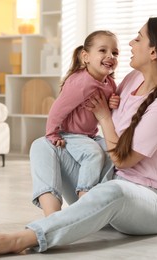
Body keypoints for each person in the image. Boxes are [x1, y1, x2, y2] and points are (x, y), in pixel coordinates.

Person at [0, 16, 157, 257]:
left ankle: (24, 238)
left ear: (154, 51)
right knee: (43, 145)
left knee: (116, 190)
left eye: (138, 38)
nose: (130, 43)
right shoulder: (132, 80)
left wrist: (104, 117)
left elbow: (123, 161)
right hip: (107, 182)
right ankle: (55, 220)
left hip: (151, 201)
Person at [45, 30, 120, 203]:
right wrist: (52, 134)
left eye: (114, 53)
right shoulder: (80, 83)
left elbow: (105, 108)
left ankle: (103, 194)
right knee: (93, 154)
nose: (110, 56)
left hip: (90, 134)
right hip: (70, 133)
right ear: (85, 57)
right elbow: (58, 109)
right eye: (103, 50)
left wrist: (112, 103)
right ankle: (84, 196)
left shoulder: (109, 83)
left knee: (113, 152)